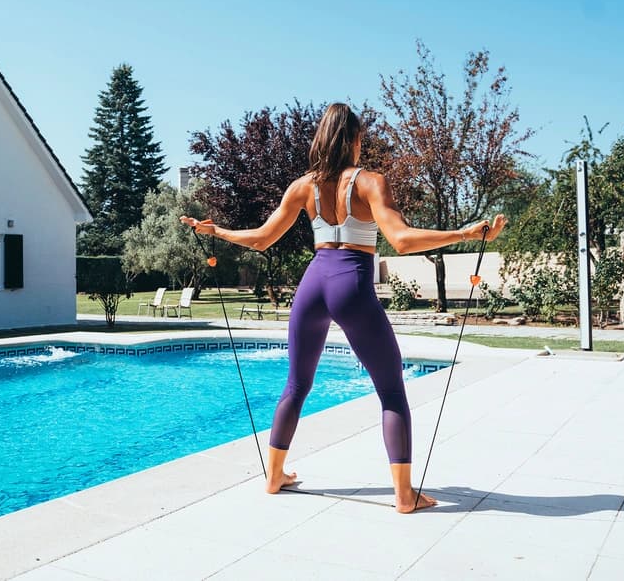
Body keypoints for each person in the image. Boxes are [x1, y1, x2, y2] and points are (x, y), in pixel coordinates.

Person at [180, 102, 505, 513]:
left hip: (313, 284)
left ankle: (274, 476)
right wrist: (465, 231)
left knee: (296, 385)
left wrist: (216, 231)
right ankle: (404, 496)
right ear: (354, 139)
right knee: (390, 391)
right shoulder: (371, 182)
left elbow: (262, 238)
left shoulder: (303, 187)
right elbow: (401, 240)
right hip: (351, 282)